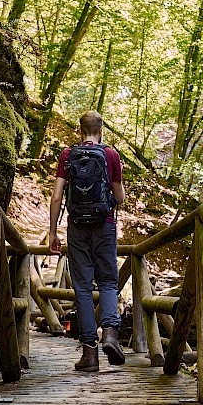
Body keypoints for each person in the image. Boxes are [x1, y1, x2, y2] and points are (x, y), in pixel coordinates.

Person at [49, 110, 126, 372]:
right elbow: (120, 197)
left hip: (77, 228)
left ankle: (89, 355)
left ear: (80, 131)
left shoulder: (68, 155)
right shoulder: (111, 155)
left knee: (82, 288)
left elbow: (57, 196)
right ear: (101, 130)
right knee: (107, 281)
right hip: (104, 226)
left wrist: (52, 232)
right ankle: (110, 335)